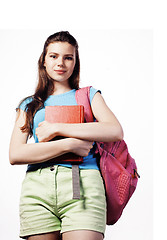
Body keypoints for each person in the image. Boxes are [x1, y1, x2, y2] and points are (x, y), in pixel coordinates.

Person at [9, 31, 124, 240]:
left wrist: (57, 128)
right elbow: (16, 154)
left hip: (84, 184)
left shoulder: (89, 95)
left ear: (75, 62)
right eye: (53, 56)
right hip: (37, 188)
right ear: (43, 61)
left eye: (68, 57)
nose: (60, 63)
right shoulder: (29, 104)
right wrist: (69, 144)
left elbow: (114, 131)